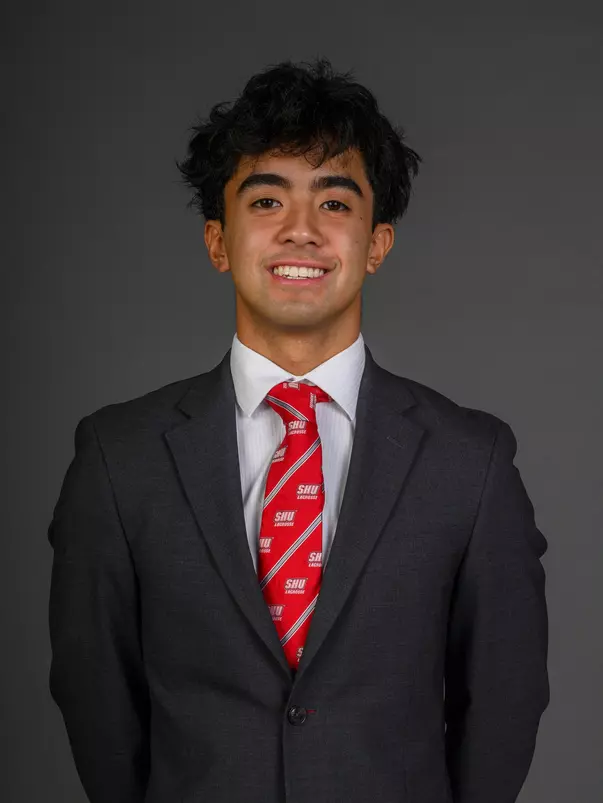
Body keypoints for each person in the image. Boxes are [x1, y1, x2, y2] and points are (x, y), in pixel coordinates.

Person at [47, 57, 550, 803]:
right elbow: (96, 699)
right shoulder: (119, 457)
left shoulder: (469, 461)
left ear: (376, 244)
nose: (301, 231)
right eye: (266, 200)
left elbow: (503, 699)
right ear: (218, 243)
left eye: (335, 203)